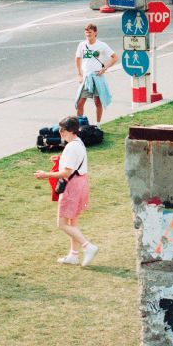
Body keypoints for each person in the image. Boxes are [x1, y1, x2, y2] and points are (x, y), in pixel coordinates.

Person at [34, 116, 98, 266]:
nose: (60, 133)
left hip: (72, 186)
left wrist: (45, 175)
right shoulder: (78, 143)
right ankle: (73, 255)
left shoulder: (71, 147)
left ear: (67, 131)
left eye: (62, 130)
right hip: (81, 183)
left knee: (62, 223)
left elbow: (66, 173)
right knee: (72, 221)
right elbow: (73, 163)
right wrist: (61, 159)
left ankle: (88, 246)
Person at [75, 23, 118, 124]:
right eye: (86, 32)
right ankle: (78, 125)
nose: (88, 34)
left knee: (97, 102)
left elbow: (115, 58)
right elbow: (77, 59)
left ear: (95, 33)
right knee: (80, 103)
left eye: (90, 32)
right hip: (86, 78)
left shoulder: (102, 45)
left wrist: (104, 68)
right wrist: (79, 74)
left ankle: (98, 124)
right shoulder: (82, 45)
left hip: (97, 77)